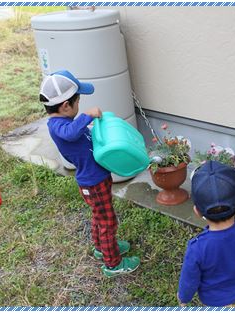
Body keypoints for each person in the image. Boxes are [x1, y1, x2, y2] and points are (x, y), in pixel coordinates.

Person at [39, 70, 140, 277]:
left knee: (99, 216)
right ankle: (113, 264)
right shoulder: (59, 126)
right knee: (107, 222)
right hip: (93, 182)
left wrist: (92, 127)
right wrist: (87, 115)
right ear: (66, 106)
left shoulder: (64, 122)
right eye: (78, 102)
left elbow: (79, 134)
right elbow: (71, 132)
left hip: (95, 179)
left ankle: (101, 248)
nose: (79, 106)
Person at [177, 161, 235, 307]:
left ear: (197, 211)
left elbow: (189, 279)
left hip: (215, 303)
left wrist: (183, 297)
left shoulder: (197, 248)